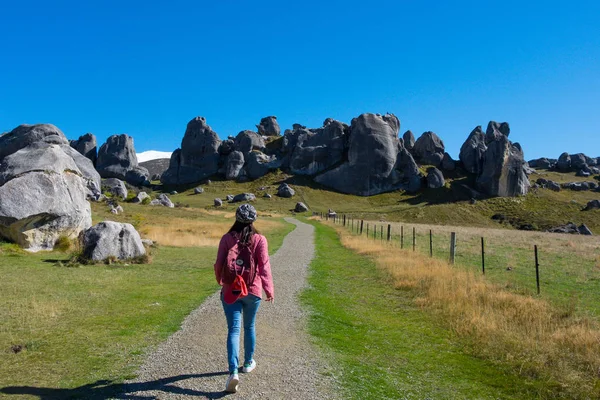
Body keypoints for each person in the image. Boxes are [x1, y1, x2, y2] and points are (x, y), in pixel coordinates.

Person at [214, 204, 274, 393]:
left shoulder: (226, 239)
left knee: (233, 329)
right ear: (253, 220)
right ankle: (248, 362)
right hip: (252, 291)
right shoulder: (260, 239)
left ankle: (233, 371)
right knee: (249, 327)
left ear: (236, 218)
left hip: (231, 290)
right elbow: (264, 267)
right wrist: (269, 289)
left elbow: (218, 263)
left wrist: (221, 281)